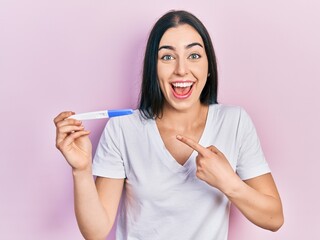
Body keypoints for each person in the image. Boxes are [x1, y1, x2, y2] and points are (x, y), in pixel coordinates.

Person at [54, 10, 284, 240]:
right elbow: (95, 231)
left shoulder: (235, 122)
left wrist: (229, 183)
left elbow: (274, 218)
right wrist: (81, 170)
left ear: (209, 67)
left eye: (194, 55)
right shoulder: (122, 129)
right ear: (153, 69)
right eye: (167, 57)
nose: (181, 69)